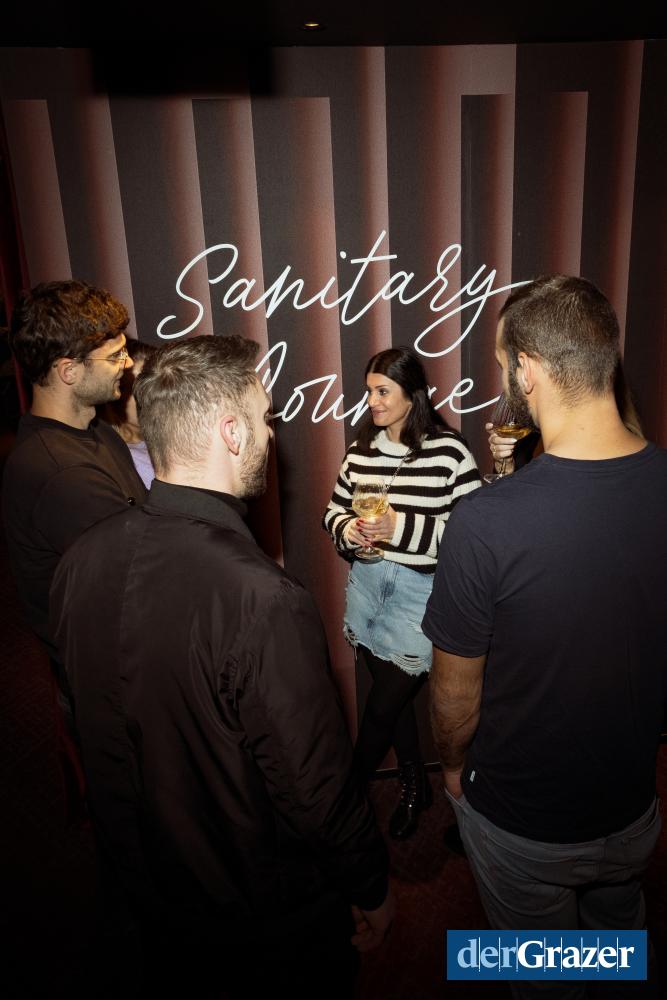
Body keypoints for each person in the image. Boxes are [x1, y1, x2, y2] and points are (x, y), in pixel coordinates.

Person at [49, 335, 394, 998]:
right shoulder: (263, 598)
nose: (270, 434)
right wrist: (370, 884)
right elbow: (313, 786)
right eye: (264, 418)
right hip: (256, 921)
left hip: (142, 894)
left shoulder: (79, 560)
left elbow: (83, 716)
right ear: (232, 433)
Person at [423, 275, 667, 999]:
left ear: (526, 370)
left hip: (524, 823)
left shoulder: (485, 521)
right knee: (619, 937)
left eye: (504, 364)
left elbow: (455, 697)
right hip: (635, 805)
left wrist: (451, 769)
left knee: (540, 973)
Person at [2, 280, 147, 819]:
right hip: (111, 687)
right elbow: (144, 580)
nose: (127, 365)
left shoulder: (93, 431)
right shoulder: (60, 472)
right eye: (114, 356)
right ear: (67, 371)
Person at [323, 347, 480, 840]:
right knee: (390, 706)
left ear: (413, 395)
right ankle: (415, 784)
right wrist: (349, 531)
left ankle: (342, 800)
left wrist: (398, 528)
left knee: (381, 708)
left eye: (382, 391)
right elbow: (333, 512)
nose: (371, 401)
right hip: (367, 590)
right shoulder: (361, 451)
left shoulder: (450, 453)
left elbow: (472, 538)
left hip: (420, 598)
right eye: (369, 391)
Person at [99, 337, 158, 488]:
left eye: (156, 385)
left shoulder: (183, 438)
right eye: (137, 388)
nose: (151, 396)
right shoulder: (119, 459)